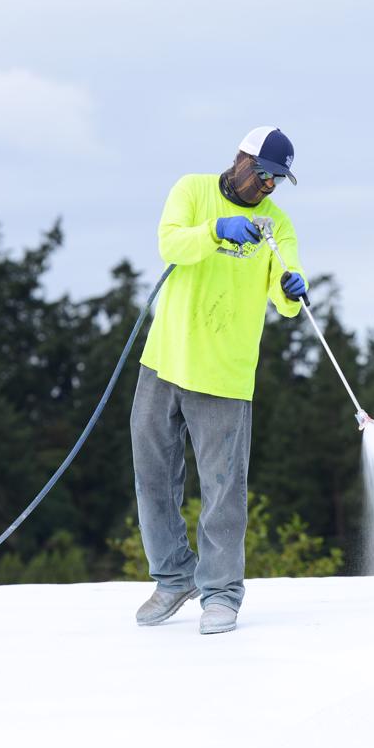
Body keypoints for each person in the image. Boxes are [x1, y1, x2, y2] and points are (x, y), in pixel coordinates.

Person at [131, 126, 308, 634]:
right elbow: (170, 245)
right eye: (264, 175)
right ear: (241, 160)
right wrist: (215, 231)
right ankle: (172, 578)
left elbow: (285, 295)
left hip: (225, 375)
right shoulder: (192, 190)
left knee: (223, 490)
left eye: (278, 181)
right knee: (153, 478)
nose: (268, 187)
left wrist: (294, 289)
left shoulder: (277, 224)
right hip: (164, 360)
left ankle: (222, 593)